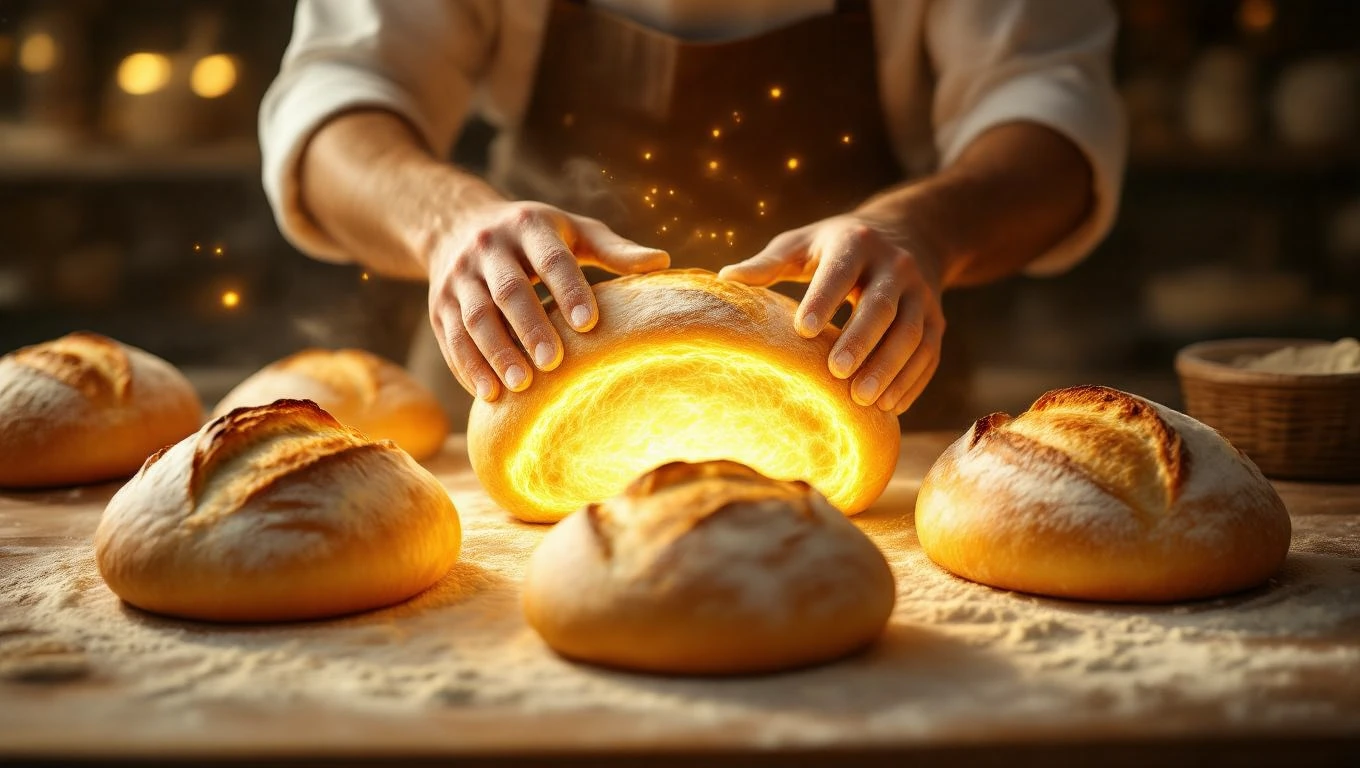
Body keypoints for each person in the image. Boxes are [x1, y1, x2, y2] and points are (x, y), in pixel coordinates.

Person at [259, 0, 1125, 424]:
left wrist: (926, 230)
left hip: (863, 368)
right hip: (524, 358)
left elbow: (1049, 110)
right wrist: (445, 221)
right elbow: (341, 92)